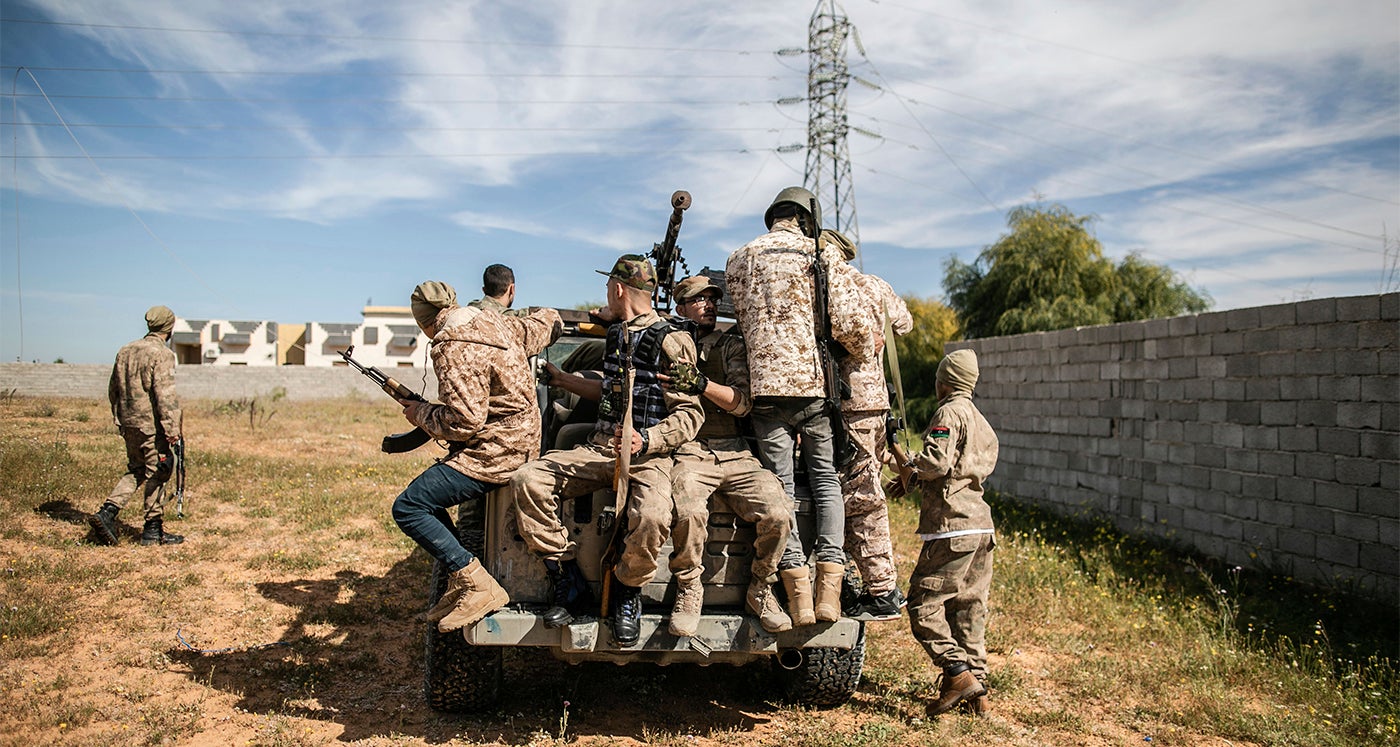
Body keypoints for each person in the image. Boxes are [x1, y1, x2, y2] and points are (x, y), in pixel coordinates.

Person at [511, 254, 703, 646]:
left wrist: (646, 440)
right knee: (528, 479)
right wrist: (564, 379)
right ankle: (568, 579)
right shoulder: (617, 334)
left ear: (617, 288)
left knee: (651, 515)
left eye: (608, 289)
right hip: (600, 449)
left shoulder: (672, 339)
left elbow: (690, 414)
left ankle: (627, 591)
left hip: (650, 456)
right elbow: (610, 390)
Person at [725, 187, 874, 625]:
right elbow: (852, 325)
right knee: (826, 479)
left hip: (764, 393)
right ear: (808, 218)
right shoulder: (819, 254)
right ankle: (829, 593)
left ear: (773, 217)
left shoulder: (740, 257)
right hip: (813, 390)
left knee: (781, 488)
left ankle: (797, 597)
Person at [391, 280, 563, 633]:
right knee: (428, 498)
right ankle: (463, 576)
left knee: (408, 507)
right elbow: (547, 322)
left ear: (424, 323)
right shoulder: (496, 321)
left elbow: (464, 421)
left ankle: (477, 584)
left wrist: (419, 414)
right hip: (524, 442)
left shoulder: (451, 345)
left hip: (496, 453)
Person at [659, 275, 796, 634]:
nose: (707, 305)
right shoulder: (667, 341)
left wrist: (701, 384)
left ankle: (761, 588)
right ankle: (690, 588)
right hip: (689, 450)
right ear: (681, 307)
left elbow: (742, 403)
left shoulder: (730, 346)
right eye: (698, 299)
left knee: (780, 512)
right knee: (687, 510)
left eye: (711, 298)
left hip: (734, 451)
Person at [820, 229, 915, 622]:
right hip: (875, 404)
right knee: (853, 491)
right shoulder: (875, 285)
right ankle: (847, 580)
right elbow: (905, 324)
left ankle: (882, 591)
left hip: (847, 405)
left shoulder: (828, 286)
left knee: (860, 497)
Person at [905, 348, 1000, 717]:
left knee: (923, 605)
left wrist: (911, 466)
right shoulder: (980, 419)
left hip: (952, 526)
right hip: (981, 526)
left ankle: (957, 673)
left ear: (944, 381)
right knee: (969, 610)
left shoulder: (948, 411)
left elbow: (936, 461)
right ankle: (979, 696)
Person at [89, 305, 186, 547]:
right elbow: (165, 396)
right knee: (160, 470)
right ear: (169, 327)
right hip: (151, 427)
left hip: (128, 422)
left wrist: (119, 418)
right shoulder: (161, 354)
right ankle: (153, 530)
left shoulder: (125, 350)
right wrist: (173, 430)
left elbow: (113, 389)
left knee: (137, 469)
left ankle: (107, 512)